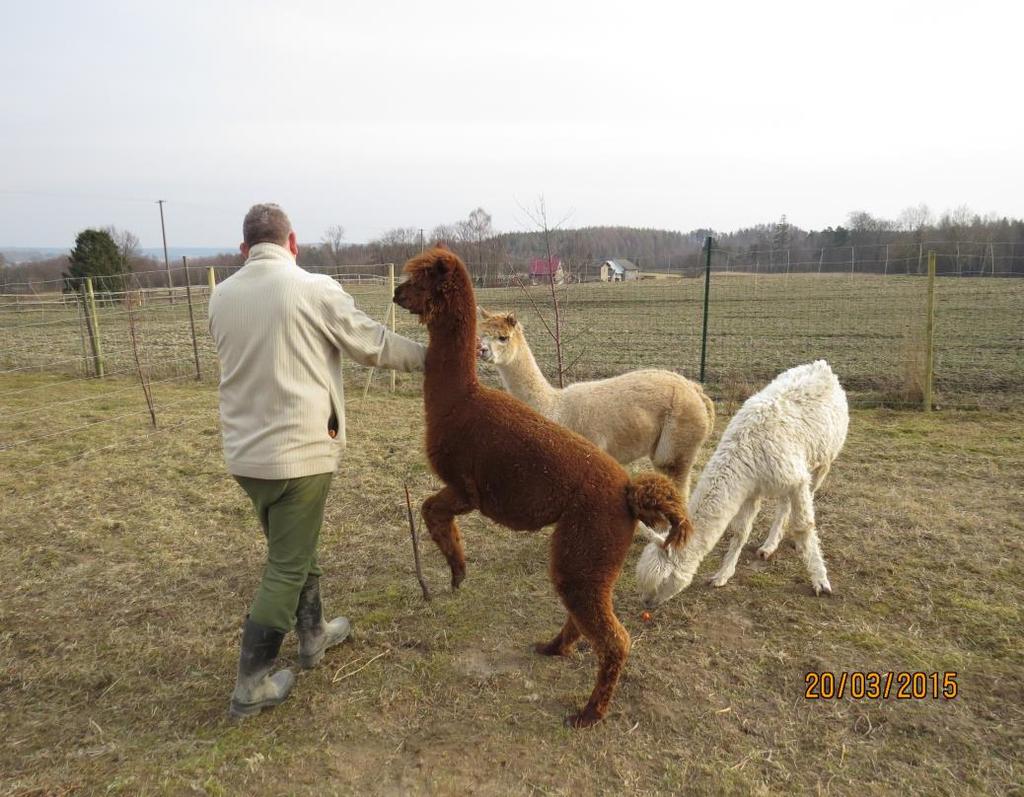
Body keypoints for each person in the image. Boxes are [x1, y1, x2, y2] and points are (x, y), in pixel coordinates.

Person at [208, 203, 426, 718]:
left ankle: (312, 635)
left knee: (293, 546)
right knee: (286, 564)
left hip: (245, 456)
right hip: (299, 456)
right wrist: (431, 358)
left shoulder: (220, 296)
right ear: (293, 242)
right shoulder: (313, 289)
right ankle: (251, 684)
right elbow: (371, 344)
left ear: (244, 249)